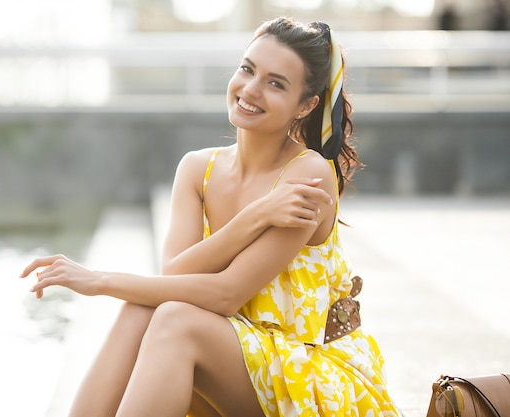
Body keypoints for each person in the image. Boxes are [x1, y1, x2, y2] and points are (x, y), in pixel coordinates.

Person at [21, 17, 399, 417]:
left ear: (305, 105)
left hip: (307, 375)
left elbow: (226, 294)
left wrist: (98, 281)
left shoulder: (308, 175)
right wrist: (255, 216)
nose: (250, 90)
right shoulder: (197, 169)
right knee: (143, 308)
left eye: (275, 83)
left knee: (175, 320)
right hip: (237, 359)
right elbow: (175, 274)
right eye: (247, 69)